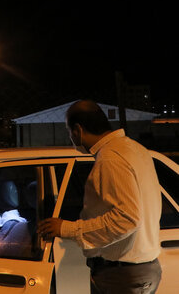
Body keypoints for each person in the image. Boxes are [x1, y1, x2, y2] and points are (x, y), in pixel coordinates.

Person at [38, 100, 162, 294]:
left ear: (78, 130)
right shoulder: (135, 149)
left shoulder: (110, 158)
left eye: (69, 131)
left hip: (122, 276)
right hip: (139, 271)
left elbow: (127, 218)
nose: (70, 137)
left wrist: (67, 228)